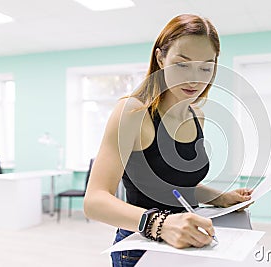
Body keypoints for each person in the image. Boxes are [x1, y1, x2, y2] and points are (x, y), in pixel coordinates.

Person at [84, 14, 253, 267]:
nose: (195, 78)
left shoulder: (197, 115)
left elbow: (173, 185)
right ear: (161, 58)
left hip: (187, 243)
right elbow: (94, 201)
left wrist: (220, 198)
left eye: (206, 67)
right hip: (139, 247)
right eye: (182, 64)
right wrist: (160, 224)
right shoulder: (133, 111)